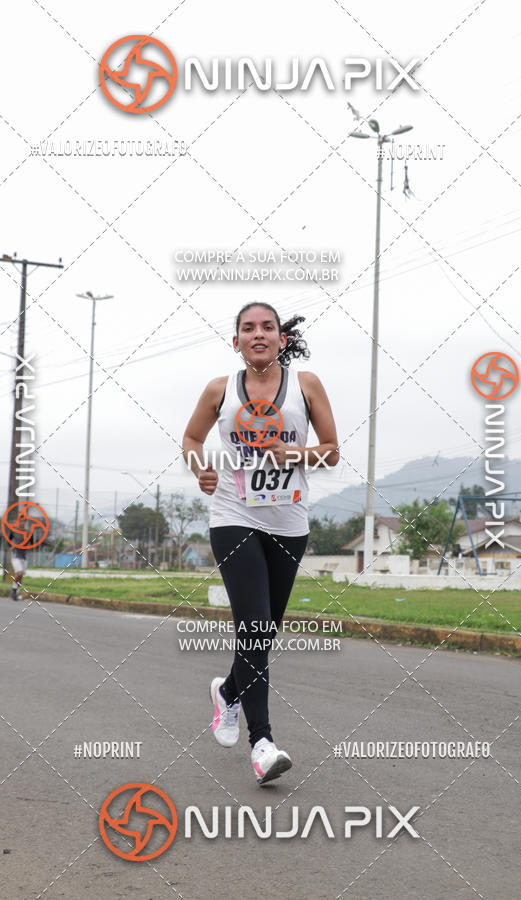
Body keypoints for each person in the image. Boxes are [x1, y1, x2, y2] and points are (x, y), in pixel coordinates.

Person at [182, 302, 339, 785]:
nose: (258, 334)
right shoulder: (219, 390)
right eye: (247, 328)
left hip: (289, 524)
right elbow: (191, 438)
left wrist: (293, 452)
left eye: (267, 327)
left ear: (281, 339)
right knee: (252, 626)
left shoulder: (306, 385)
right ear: (236, 341)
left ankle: (228, 691)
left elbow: (331, 453)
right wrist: (200, 468)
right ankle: (263, 744)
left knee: (263, 635)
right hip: (234, 517)